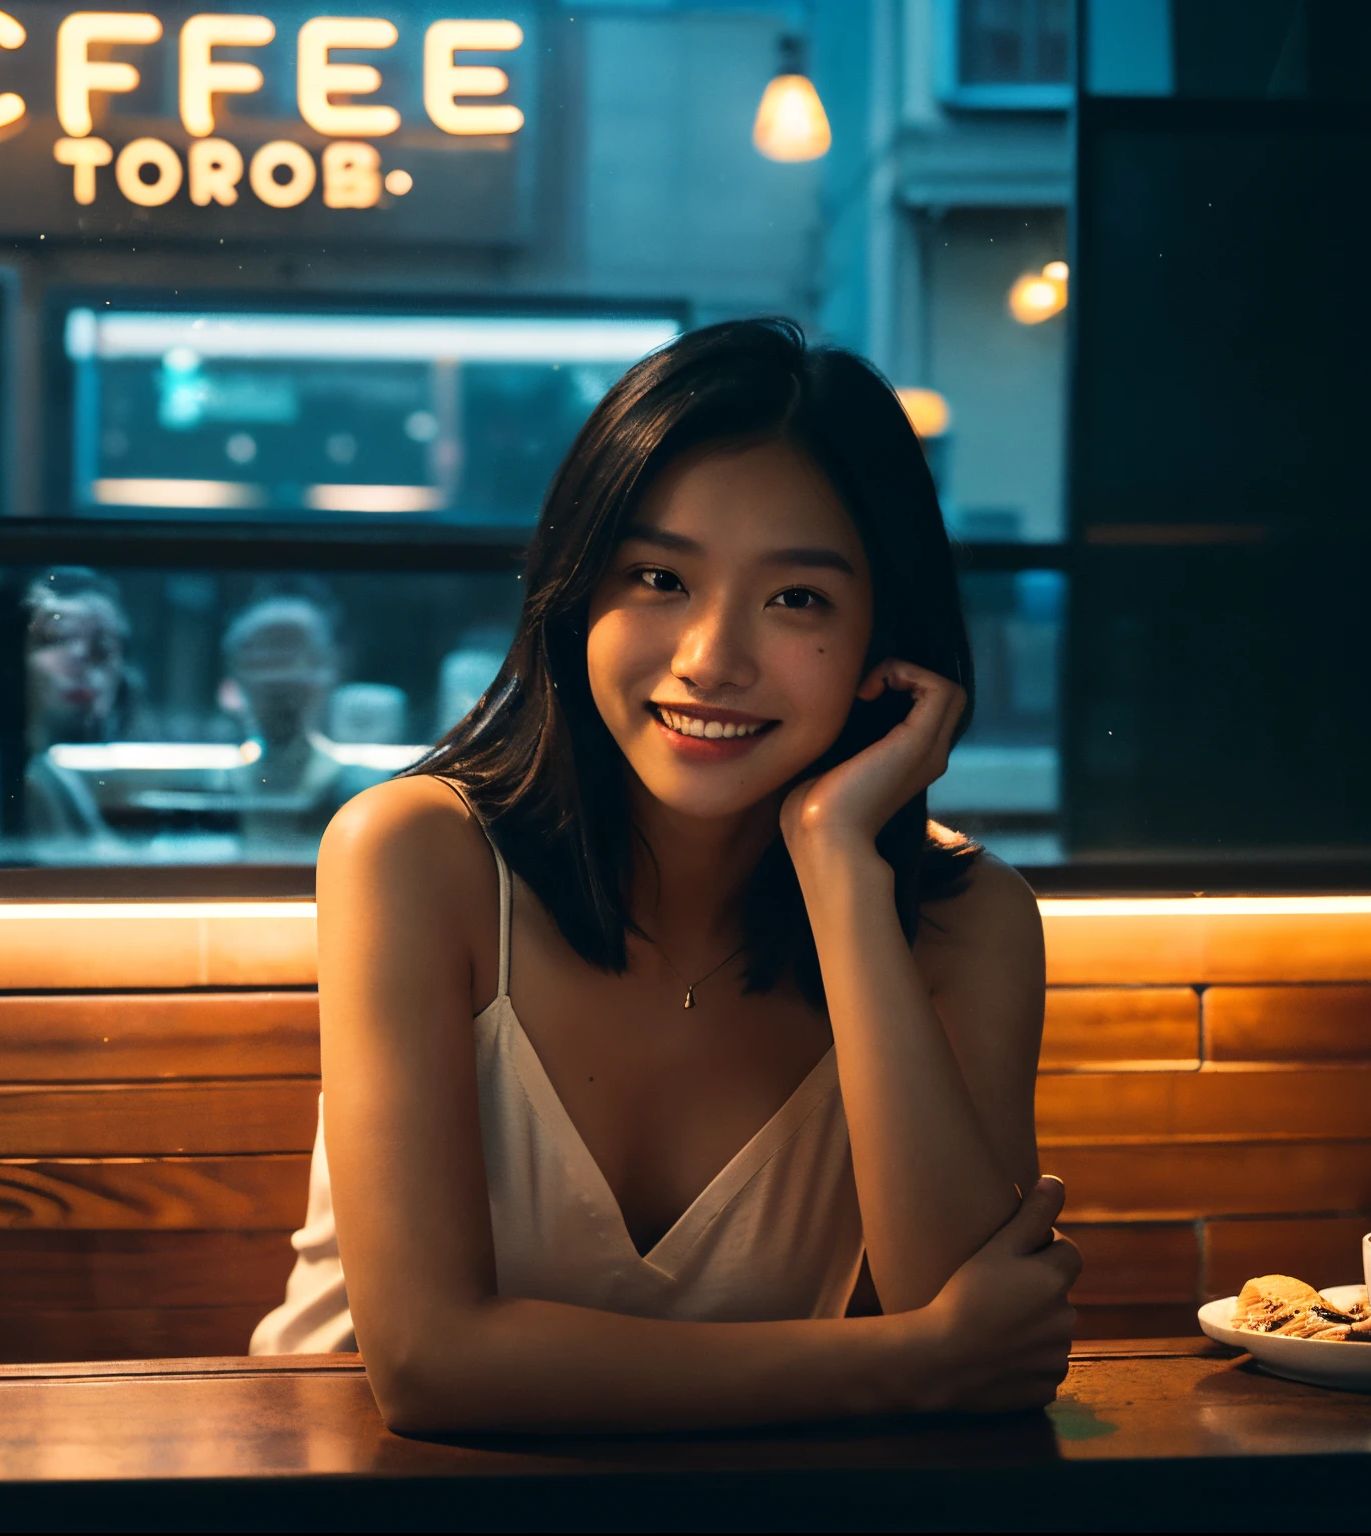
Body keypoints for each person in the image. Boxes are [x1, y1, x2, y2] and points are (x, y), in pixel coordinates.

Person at [248, 320, 1078, 1433]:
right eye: (657, 577)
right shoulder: (412, 856)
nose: (709, 659)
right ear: (576, 589)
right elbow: (428, 1361)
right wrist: (909, 1362)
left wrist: (839, 871)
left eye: (797, 600)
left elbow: (973, 1335)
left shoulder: (966, 922)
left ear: (890, 633)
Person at [0, 566, 133, 853]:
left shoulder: (54, 774)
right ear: (10, 655)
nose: (80, 659)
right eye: (56, 638)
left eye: (103, 646)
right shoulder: (8, 780)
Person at [218, 591, 387, 861]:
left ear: (331, 671)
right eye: (263, 662)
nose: (281, 680)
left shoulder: (362, 792)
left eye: (296, 660)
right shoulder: (221, 789)